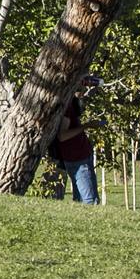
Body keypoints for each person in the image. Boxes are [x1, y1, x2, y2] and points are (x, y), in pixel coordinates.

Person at [52, 76, 99, 204]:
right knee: (89, 200)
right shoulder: (67, 107)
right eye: (82, 85)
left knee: (83, 198)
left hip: (81, 156)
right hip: (77, 159)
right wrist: (87, 126)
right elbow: (63, 135)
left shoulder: (71, 103)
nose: (84, 88)